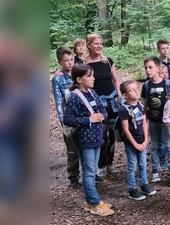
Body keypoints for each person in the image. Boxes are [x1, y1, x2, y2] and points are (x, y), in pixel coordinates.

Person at [63, 63, 114, 216]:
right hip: (84, 140)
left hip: (96, 138)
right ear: (79, 79)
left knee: (92, 170)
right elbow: (68, 119)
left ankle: (89, 201)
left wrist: (100, 116)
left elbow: (102, 110)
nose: (93, 78)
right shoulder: (74, 97)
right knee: (89, 171)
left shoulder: (92, 93)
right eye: (89, 76)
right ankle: (95, 203)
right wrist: (89, 120)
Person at [83, 33, 121, 178]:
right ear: (89, 45)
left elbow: (116, 80)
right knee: (99, 134)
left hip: (111, 102)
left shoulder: (108, 61)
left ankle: (109, 163)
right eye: (96, 43)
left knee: (111, 134)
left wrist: (118, 95)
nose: (99, 46)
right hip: (95, 103)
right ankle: (100, 165)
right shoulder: (84, 64)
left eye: (100, 43)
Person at [119, 80, 156, 201]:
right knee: (132, 165)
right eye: (131, 90)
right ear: (125, 95)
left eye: (136, 88)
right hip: (131, 142)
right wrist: (134, 143)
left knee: (142, 163)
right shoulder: (123, 109)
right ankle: (132, 189)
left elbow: (145, 123)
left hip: (142, 140)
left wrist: (146, 140)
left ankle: (144, 184)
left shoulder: (140, 105)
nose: (136, 91)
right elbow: (125, 129)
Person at [141, 56, 170, 182]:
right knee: (154, 146)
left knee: (169, 145)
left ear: (158, 68)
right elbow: (144, 105)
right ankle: (155, 171)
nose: (148, 70)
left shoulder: (167, 84)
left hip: (166, 122)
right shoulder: (146, 85)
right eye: (146, 68)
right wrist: (144, 122)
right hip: (153, 121)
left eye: (150, 67)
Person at [51, 46, 80, 188]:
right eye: (66, 60)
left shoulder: (78, 73)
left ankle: (90, 172)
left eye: (71, 59)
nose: (69, 63)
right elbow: (58, 103)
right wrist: (63, 122)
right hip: (69, 119)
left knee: (86, 145)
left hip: (82, 116)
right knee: (72, 149)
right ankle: (73, 176)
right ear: (59, 62)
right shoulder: (58, 79)